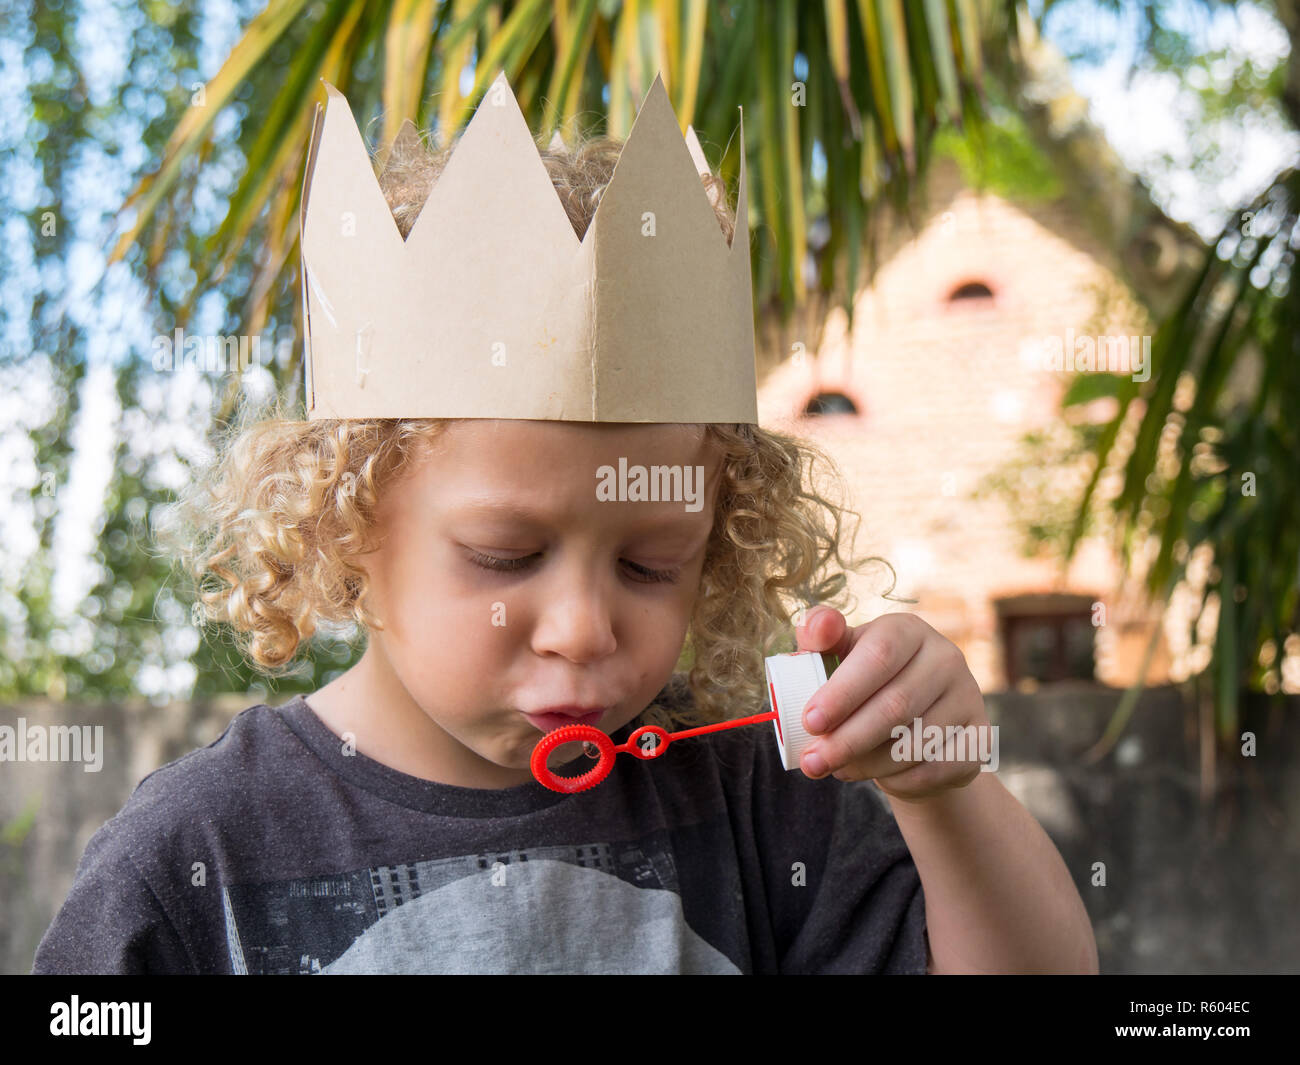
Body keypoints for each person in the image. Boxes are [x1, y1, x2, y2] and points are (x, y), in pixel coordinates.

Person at [31, 73, 1097, 975]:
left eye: (649, 562)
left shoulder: (767, 806)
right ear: (347, 530)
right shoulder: (193, 855)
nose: (583, 627)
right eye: (506, 555)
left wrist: (944, 789)